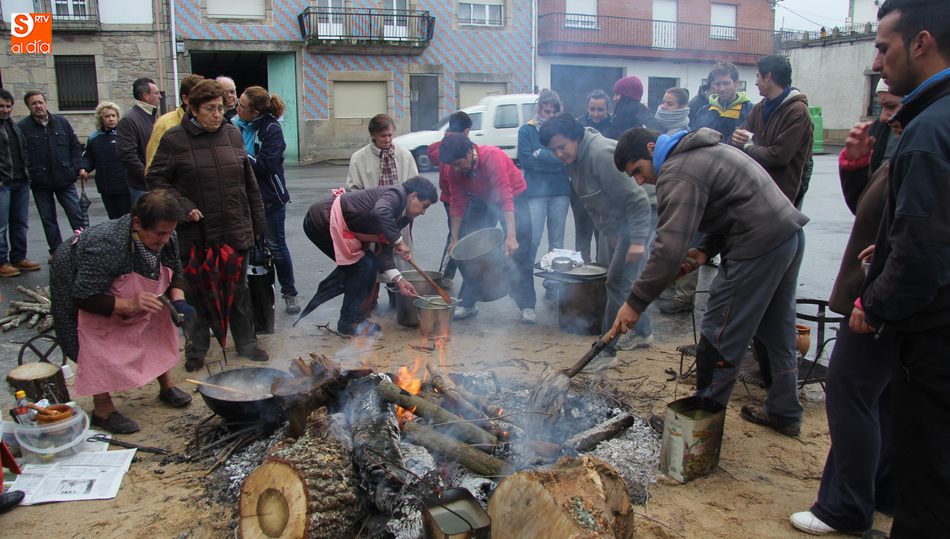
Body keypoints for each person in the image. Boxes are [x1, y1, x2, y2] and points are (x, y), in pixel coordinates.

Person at [610, 126, 808, 436]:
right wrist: (705, 249)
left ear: (651, 148)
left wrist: (635, 302)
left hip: (757, 247)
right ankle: (784, 410)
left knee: (719, 336)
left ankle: (697, 426)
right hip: (786, 235)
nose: (640, 180)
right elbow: (734, 204)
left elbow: (668, 248)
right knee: (776, 331)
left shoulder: (677, 170)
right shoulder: (699, 153)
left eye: (638, 170)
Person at [852, 1, 950, 535]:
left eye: (884, 46)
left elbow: (924, 249)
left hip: (935, 333)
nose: (878, 59)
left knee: (928, 478)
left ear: (921, 43)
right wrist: (886, 247)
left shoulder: (930, 128)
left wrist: (876, 300)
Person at [788, 80, 902, 536]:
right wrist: (856, 166)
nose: (885, 115)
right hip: (886, 287)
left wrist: (872, 298)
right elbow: (872, 211)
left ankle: (846, 508)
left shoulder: (931, 135)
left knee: (850, 391)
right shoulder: (903, 136)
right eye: (883, 106)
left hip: (884, 294)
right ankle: (884, 490)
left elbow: (920, 233)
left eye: (893, 105)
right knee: (888, 397)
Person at [50, 190, 196, 434]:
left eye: (170, 231)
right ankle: (102, 410)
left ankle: (166, 386)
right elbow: (83, 297)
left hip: (134, 279)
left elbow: (174, 270)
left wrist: (179, 301)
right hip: (83, 284)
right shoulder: (107, 245)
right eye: (160, 233)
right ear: (137, 223)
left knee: (157, 321)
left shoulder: (166, 235)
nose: (166, 238)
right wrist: (128, 305)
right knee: (96, 337)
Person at [146, 79, 268, 372]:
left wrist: (257, 222)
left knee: (238, 290)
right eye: (210, 109)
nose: (218, 115)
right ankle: (197, 347)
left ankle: (247, 342)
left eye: (221, 109)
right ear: (193, 109)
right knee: (198, 291)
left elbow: (248, 181)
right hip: (196, 232)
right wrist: (184, 206)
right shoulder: (175, 139)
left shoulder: (232, 134)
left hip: (234, 227)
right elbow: (155, 180)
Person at [540, 113, 653, 364]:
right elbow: (592, 203)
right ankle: (644, 332)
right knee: (622, 280)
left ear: (576, 137)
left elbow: (638, 201)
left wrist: (636, 240)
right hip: (621, 223)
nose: (559, 153)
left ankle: (606, 350)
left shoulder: (599, 155)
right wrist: (612, 235)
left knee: (615, 281)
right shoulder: (573, 161)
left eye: (562, 146)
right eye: (553, 149)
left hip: (643, 215)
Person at [302, 176, 437, 335]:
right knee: (363, 267)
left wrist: (400, 280)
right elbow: (380, 211)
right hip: (320, 220)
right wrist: (399, 241)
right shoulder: (397, 194)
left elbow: (384, 250)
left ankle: (356, 318)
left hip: (334, 226)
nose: (423, 212)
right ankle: (349, 322)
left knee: (368, 265)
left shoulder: (402, 217)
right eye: (424, 206)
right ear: (413, 196)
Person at [440, 133, 536, 323]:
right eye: (453, 165)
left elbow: (505, 196)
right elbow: (457, 201)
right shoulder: (453, 169)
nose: (456, 168)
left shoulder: (492, 157)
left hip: (514, 196)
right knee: (472, 249)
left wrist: (511, 235)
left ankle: (527, 305)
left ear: (469, 152)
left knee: (521, 250)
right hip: (482, 199)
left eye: (459, 163)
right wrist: (454, 238)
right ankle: (468, 303)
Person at [234, 85, 299, 314]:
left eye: (242, 106)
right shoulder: (235, 125)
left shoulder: (271, 129)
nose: (236, 108)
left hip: (270, 198)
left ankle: (289, 293)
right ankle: (248, 296)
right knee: (245, 248)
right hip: (242, 199)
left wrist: (240, 154)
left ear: (255, 112)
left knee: (276, 246)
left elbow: (264, 166)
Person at [731, 55, 813, 207]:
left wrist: (747, 146)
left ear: (768, 76)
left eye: (757, 76)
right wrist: (736, 138)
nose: (755, 82)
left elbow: (778, 156)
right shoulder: (760, 107)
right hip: (757, 190)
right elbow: (741, 136)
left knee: (788, 230)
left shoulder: (797, 111)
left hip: (782, 195)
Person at [518, 90, 572, 300]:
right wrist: (553, 161)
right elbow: (525, 160)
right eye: (545, 111)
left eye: (552, 112)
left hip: (560, 192)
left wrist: (541, 155)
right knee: (532, 240)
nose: (548, 116)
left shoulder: (563, 132)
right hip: (535, 193)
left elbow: (565, 159)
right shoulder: (526, 130)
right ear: (539, 108)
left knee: (557, 242)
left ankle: (552, 283)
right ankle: (525, 286)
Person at [17, 91, 86, 257]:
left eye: (40, 102)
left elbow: (75, 147)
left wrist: (76, 167)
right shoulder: (22, 128)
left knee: (75, 213)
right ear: (28, 106)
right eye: (34, 103)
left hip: (64, 178)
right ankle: (56, 251)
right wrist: (29, 174)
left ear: (46, 103)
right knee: (48, 219)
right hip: (40, 182)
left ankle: (84, 246)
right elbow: (21, 154)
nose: (38, 106)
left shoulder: (61, 122)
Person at [428, 111, 472, 281]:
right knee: (456, 236)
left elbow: (431, 152)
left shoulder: (442, 145)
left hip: (448, 198)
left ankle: (447, 274)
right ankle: (445, 274)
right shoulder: (455, 149)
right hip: (455, 199)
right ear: (466, 130)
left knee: (457, 235)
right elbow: (452, 177)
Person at [0, 88, 40, 277]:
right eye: (1, 106)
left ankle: (19, 257)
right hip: (4, 183)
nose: (5, 110)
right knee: (1, 225)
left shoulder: (13, 126)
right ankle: (2, 261)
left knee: (20, 222)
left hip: (21, 180)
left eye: (8, 106)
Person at [146, 74, 205, 172]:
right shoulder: (165, 124)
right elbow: (153, 166)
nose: (203, 102)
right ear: (185, 99)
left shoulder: (211, 122)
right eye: (198, 97)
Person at [82, 102, 131, 219]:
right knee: (113, 218)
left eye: (113, 116)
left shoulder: (124, 134)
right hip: (106, 186)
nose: (111, 119)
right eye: (107, 116)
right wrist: (84, 168)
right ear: (101, 118)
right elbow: (88, 156)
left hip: (123, 185)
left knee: (125, 218)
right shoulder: (94, 137)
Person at [116, 77, 161, 204]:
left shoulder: (152, 116)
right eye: (156, 93)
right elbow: (127, 155)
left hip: (154, 184)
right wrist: (148, 176)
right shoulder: (129, 120)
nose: (160, 97)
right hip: (142, 187)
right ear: (145, 96)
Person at [346, 113, 419, 190]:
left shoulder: (405, 155)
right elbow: (352, 189)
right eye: (383, 136)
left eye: (390, 135)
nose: (387, 140)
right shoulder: (358, 158)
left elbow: (415, 186)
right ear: (373, 135)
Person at [694, 61, 753, 141]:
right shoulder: (703, 111)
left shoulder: (751, 111)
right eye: (718, 84)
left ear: (737, 83)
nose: (722, 89)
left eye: (726, 83)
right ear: (713, 85)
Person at [606, 75, 660, 140]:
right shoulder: (618, 116)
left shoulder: (642, 119)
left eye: (617, 94)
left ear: (626, 97)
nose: (614, 98)